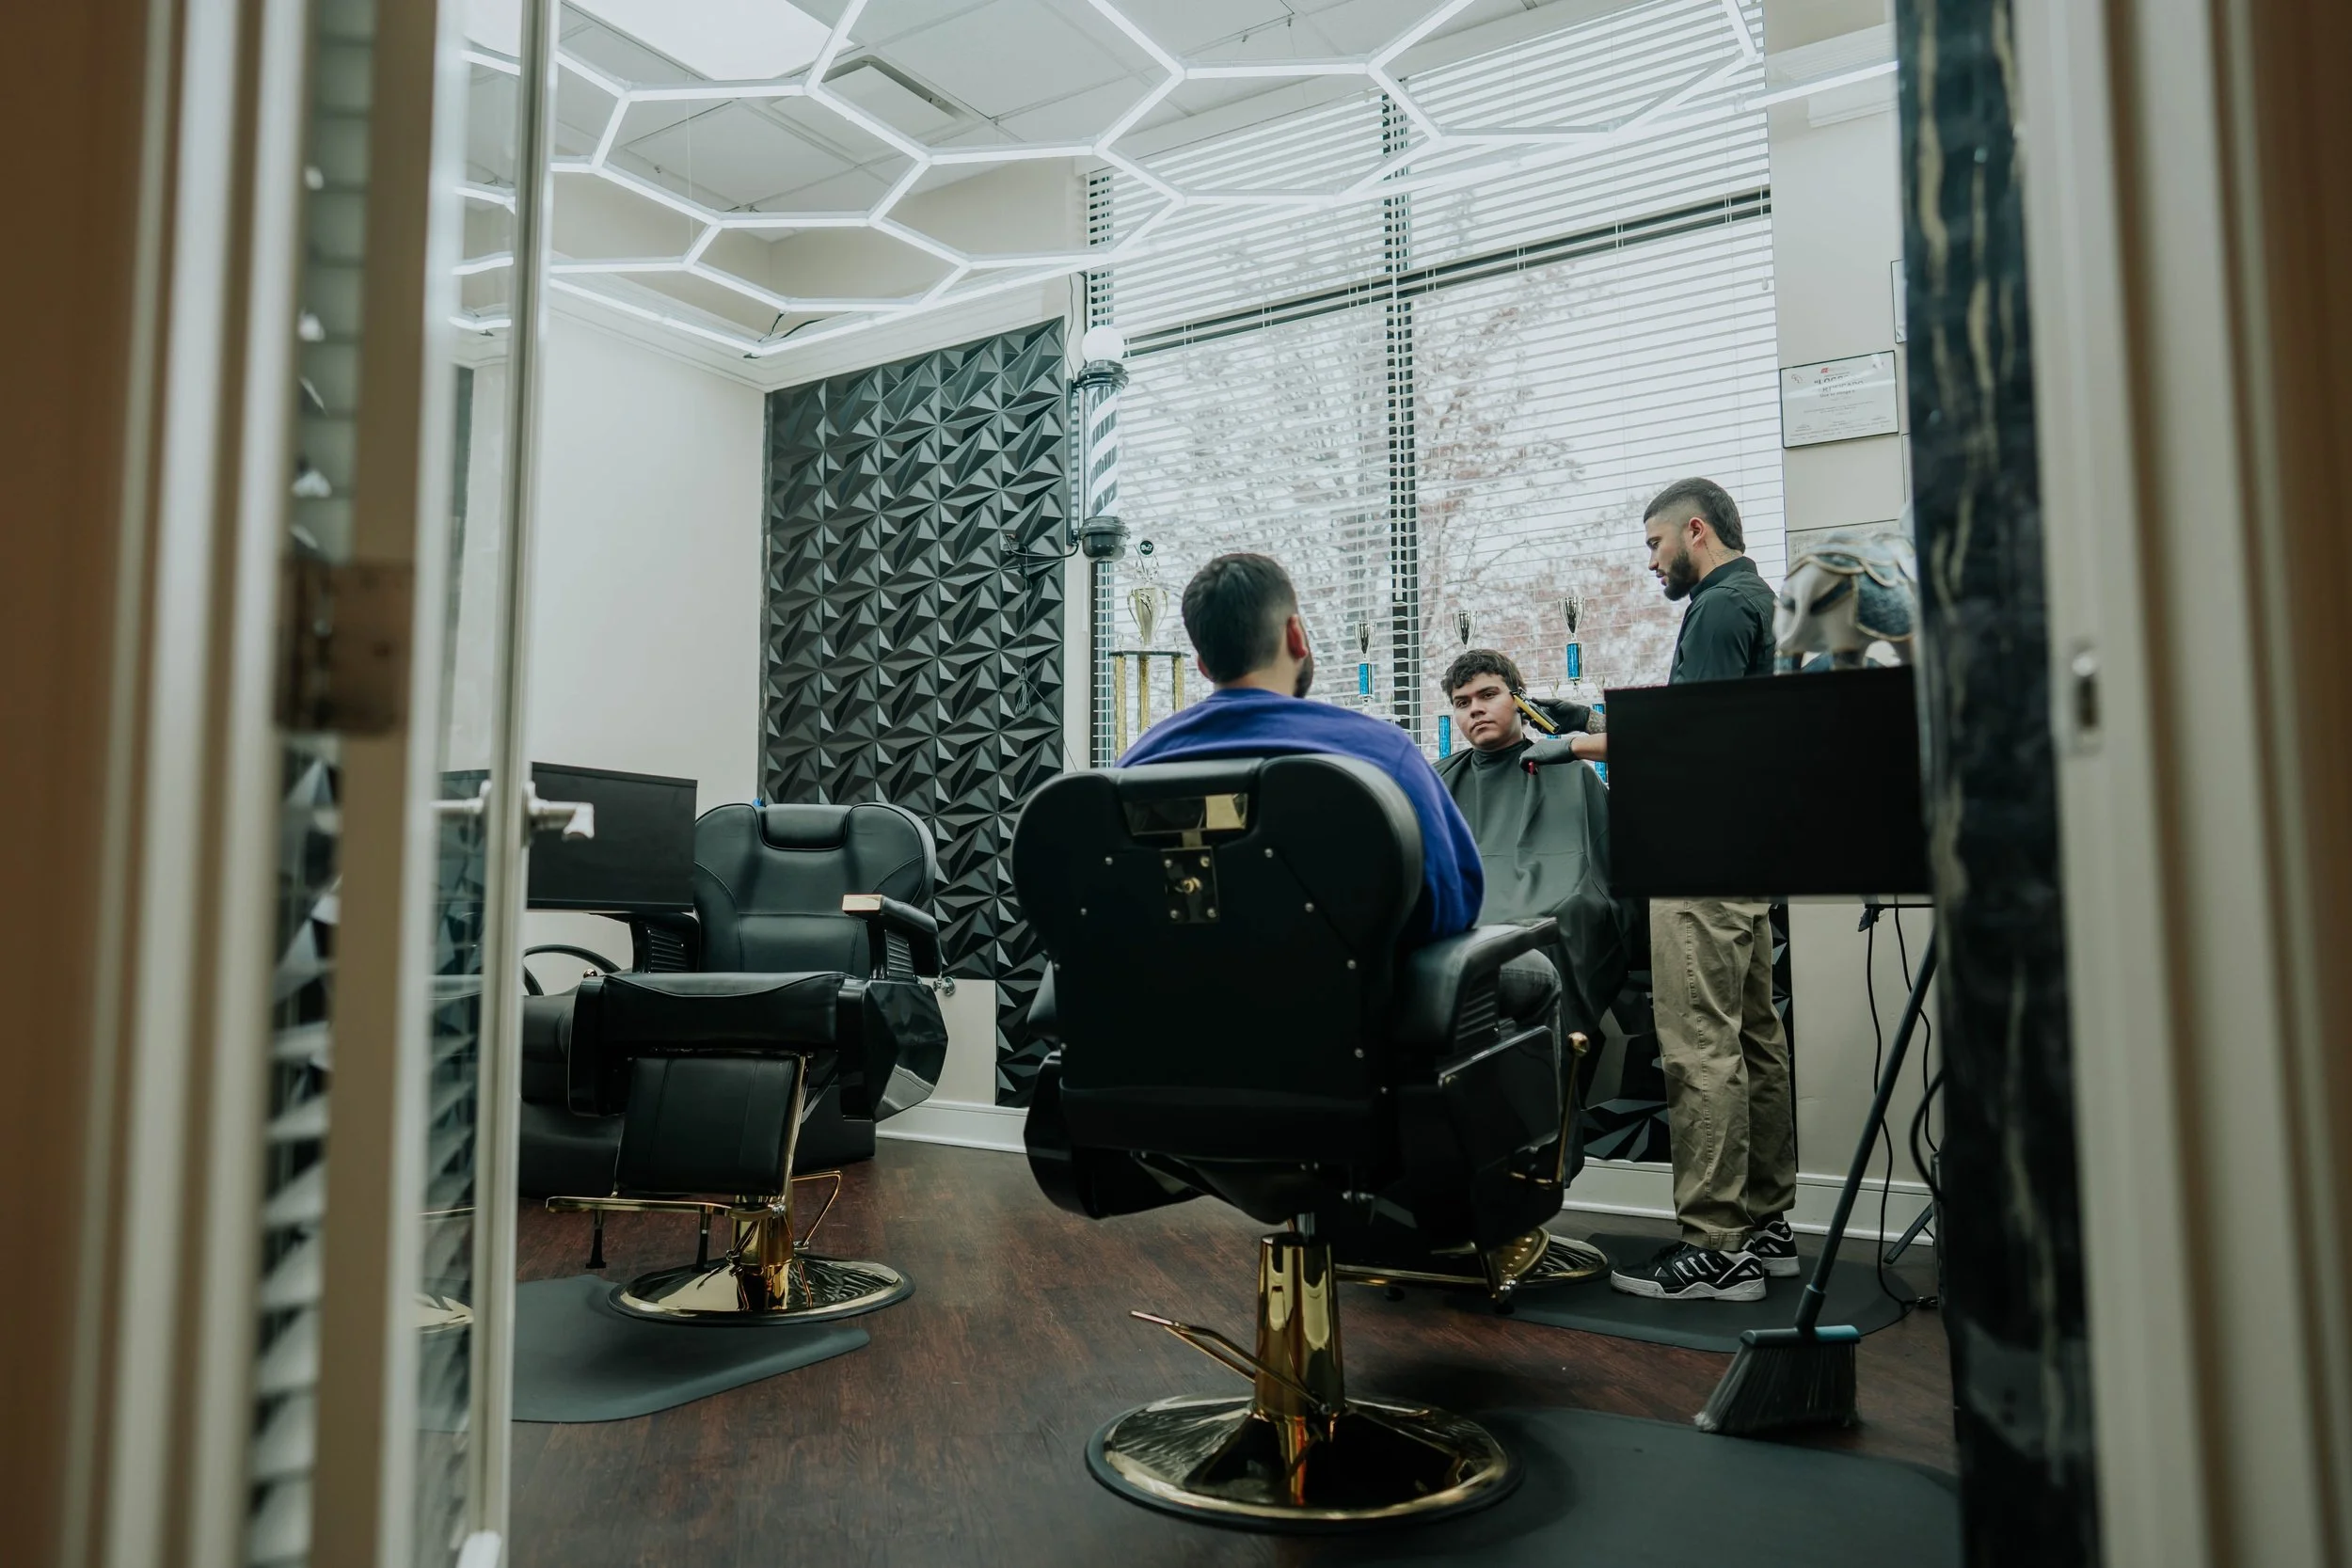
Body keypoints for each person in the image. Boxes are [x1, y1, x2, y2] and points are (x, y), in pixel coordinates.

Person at [1120, 556, 1558, 1036]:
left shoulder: (1139, 764)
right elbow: (1452, 907)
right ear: (1296, 636)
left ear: (1204, 665)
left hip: (1194, 1011)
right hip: (1348, 1015)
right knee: (1540, 975)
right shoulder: (1378, 751)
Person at [1560, 477, 1794, 1304]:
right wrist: (1591, 718)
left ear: (1696, 530)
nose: (1652, 563)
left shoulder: (1721, 607)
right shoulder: (1753, 600)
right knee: (1754, 1036)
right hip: (1743, 853)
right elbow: (1709, 723)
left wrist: (1584, 745)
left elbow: (1690, 742)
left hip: (1700, 855)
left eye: (1656, 545)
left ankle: (1717, 1243)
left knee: (1700, 1046)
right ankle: (1765, 1224)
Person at [1435, 649, 1632, 1044]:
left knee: (1552, 932)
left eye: (1488, 695)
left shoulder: (1571, 772)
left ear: (1520, 701)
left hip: (1544, 918)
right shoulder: (1435, 781)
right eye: (1462, 702)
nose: (1475, 709)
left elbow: (1591, 887)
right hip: (1461, 926)